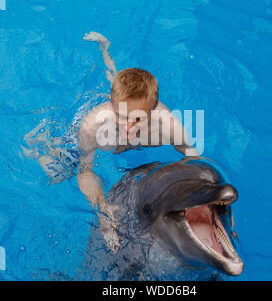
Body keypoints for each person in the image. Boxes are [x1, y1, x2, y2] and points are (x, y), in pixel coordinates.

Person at [23, 32, 200, 253]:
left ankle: (106, 49)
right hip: (99, 136)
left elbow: (193, 156)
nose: (128, 128)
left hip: (137, 130)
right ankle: (43, 142)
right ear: (111, 104)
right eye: (122, 116)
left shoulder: (168, 124)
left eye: (137, 119)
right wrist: (102, 210)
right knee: (57, 172)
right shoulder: (93, 125)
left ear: (153, 108)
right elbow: (85, 171)